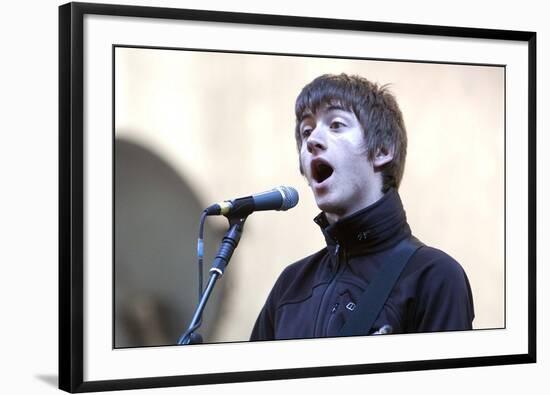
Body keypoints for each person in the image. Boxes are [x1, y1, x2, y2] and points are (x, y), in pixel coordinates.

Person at [250, 73, 474, 341]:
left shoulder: (433, 276)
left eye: (336, 125)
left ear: (382, 150)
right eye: (306, 131)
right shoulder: (290, 286)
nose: (312, 140)